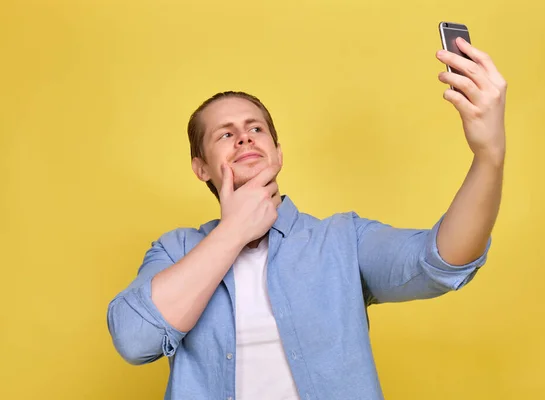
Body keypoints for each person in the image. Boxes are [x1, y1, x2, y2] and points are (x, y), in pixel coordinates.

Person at [107, 38, 506, 400]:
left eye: (255, 128)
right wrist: (234, 231)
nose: (244, 137)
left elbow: (441, 260)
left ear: (277, 153)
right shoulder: (174, 251)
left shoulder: (341, 240)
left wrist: (489, 157)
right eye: (225, 135)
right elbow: (134, 338)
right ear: (201, 168)